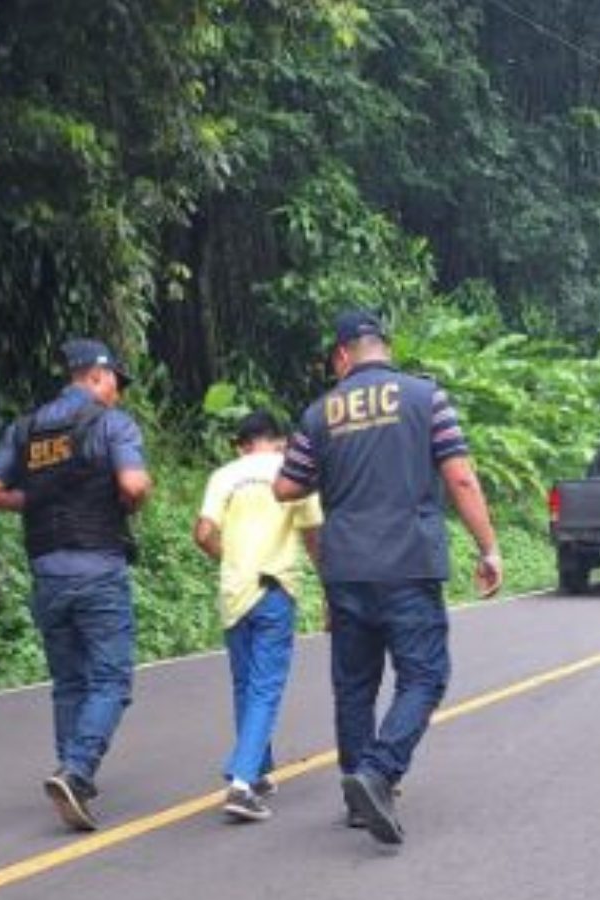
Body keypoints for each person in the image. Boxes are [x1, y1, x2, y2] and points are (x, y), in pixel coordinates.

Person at [273, 309, 502, 847]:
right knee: (424, 676)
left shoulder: (318, 413)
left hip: (346, 568)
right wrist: (488, 547)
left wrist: (326, 461)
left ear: (341, 356)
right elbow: (461, 477)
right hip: (408, 562)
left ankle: (358, 794)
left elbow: (285, 489)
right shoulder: (426, 398)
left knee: (354, 684)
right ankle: (377, 773)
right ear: (385, 347)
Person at [0, 338, 152, 832]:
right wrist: (131, 503)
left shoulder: (27, 429)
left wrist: (27, 504)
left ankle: (69, 771)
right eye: (115, 380)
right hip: (97, 566)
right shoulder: (110, 423)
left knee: (69, 681)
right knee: (112, 679)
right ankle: (76, 771)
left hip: (47, 570)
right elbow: (134, 484)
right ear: (96, 376)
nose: (118, 391)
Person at [193, 411, 322, 822]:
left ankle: (259, 770)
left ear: (240, 444)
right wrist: (330, 584)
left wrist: (227, 558)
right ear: (280, 440)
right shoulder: (293, 471)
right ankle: (242, 782)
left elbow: (202, 533)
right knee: (266, 686)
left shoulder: (224, 475)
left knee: (246, 684)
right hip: (273, 587)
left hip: (234, 591)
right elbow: (312, 532)